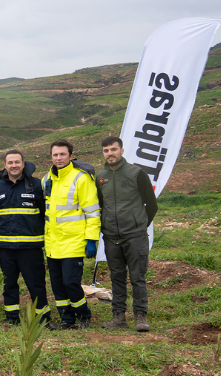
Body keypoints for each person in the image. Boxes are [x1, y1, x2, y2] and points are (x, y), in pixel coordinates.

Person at [97, 136, 159, 332]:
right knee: (116, 277)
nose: (110, 153)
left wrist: (139, 225)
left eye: (113, 149)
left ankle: (141, 317)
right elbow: (99, 205)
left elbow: (151, 204)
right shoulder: (100, 176)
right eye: (106, 150)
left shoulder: (137, 173)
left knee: (137, 277)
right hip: (111, 237)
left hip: (135, 236)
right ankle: (119, 318)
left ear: (121, 151)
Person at [43, 139, 100, 330]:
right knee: (58, 285)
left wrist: (91, 239)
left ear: (71, 156)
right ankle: (67, 320)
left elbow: (92, 212)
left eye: (62, 154)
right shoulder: (47, 179)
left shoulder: (81, 178)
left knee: (70, 283)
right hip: (52, 244)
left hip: (74, 243)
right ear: (51, 157)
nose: (58, 158)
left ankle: (84, 315)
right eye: (55, 155)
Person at [0, 150, 48, 325]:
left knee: (36, 284)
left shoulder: (36, 184)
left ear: (23, 164)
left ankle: (42, 318)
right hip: (6, 247)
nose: (13, 165)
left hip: (30, 247)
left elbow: (45, 212)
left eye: (17, 162)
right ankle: (12, 317)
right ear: (5, 166)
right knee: (9, 284)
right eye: (10, 163)